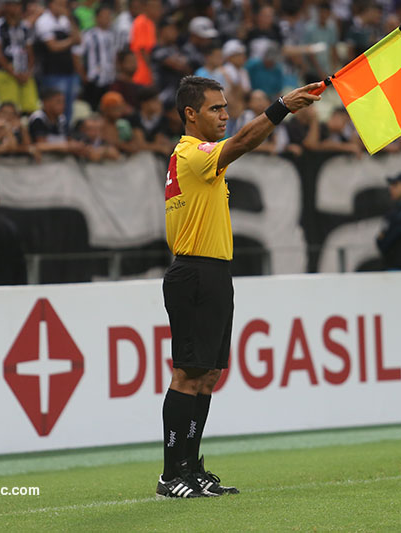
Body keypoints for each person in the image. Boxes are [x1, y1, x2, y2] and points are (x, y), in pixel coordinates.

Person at [157, 75, 320, 499]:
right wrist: (282, 107)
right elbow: (245, 142)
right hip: (193, 272)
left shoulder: (204, 158)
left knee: (208, 375)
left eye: (226, 107)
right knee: (188, 374)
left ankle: (191, 468)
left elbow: (240, 141)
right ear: (190, 114)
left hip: (213, 273)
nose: (225, 115)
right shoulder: (192, 153)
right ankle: (171, 473)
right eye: (215, 108)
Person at [0, 0, 39, 115]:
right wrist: (13, 73)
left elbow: (30, 52)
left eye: (18, 5)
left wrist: (28, 72)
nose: (17, 8)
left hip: (24, 72)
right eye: (13, 4)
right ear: (6, 6)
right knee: (9, 109)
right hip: (5, 72)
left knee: (31, 108)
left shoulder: (25, 27)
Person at [75, 4, 116, 110]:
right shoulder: (88, 34)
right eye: (104, 16)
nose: (107, 19)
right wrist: (83, 75)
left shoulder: (111, 35)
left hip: (108, 79)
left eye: (109, 16)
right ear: (96, 18)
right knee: (90, 108)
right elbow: (76, 54)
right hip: (92, 78)